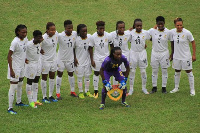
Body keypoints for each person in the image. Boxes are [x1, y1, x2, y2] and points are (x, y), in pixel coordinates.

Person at [169, 18, 196, 96]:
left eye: (181, 25)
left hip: (186, 57)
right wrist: (172, 53)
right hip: (176, 56)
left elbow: (193, 42)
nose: (179, 26)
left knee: (189, 72)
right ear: (175, 25)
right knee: (177, 71)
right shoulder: (172, 32)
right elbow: (164, 30)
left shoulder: (187, 33)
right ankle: (176, 87)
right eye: (177, 25)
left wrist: (193, 54)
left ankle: (192, 90)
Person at [7, 24, 29, 114]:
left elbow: (24, 50)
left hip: (22, 65)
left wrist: (25, 58)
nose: (24, 34)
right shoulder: (15, 42)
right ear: (17, 32)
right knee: (13, 86)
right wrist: (11, 70)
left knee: (20, 83)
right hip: (15, 67)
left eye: (26, 32)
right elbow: (9, 56)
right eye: (23, 32)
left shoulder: (25, 39)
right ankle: (10, 108)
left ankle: (18, 102)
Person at [88, 21, 113, 98]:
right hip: (97, 58)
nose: (102, 30)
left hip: (106, 58)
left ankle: (108, 89)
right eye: (100, 29)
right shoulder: (93, 37)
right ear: (97, 29)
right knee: (96, 73)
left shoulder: (108, 35)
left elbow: (112, 45)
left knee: (108, 73)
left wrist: (111, 57)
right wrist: (92, 60)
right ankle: (96, 91)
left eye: (103, 28)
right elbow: (90, 48)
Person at [148, 16, 171, 93]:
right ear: (156, 24)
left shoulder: (168, 32)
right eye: (159, 24)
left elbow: (172, 42)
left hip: (164, 53)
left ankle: (164, 88)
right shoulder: (152, 30)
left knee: (164, 70)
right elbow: (144, 35)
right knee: (154, 70)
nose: (160, 25)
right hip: (154, 53)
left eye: (161, 24)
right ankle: (154, 87)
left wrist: (172, 53)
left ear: (164, 23)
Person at [128, 19, 151, 95]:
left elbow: (152, 37)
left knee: (143, 71)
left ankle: (144, 88)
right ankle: (131, 89)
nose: (139, 27)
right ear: (134, 26)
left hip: (142, 54)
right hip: (133, 53)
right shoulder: (131, 33)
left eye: (140, 25)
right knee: (132, 71)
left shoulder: (145, 33)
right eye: (137, 25)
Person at [56, 20, 77, 100]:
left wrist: (75, 58)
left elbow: (75, 47)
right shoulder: (60, 36)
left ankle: (72, 91)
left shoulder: (74, 34)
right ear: (65, 28)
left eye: (71, 28)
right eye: (68, 28)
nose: (70, 30)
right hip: (61, 59)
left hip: (70, 59)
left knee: (71, 74)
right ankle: (58, 93)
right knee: (59, 74)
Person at [25, 30, 44, 108]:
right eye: (39, 37)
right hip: (31, 64)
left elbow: (38, 50)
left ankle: (35, 100)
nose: (41, 39)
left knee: (36, 80)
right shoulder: (28, 44)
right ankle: (30, 101)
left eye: (41, 37)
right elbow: (21, 52)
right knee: (29, 81)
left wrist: (41, 51)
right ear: (34, 37)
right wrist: (24, 59)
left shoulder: (39, 43)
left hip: (38, 63)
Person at [40, 22, 58, 103]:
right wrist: (40, 50)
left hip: (53, 60)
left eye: (54, 30)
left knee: (52, 77)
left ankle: (50, 95)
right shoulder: (43, 38)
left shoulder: (56, 34)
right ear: (47, 30)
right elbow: (35, 44)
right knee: (44, 78)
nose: (53, 31)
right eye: (51, 30)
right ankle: (44, 96)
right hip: (45, 61)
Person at [74, 24, 93, 98]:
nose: (85, 33)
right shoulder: (76, 40)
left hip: (87, 61)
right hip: (79, 62)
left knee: (87, 76)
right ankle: (81, 92)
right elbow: (73, 49)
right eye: (83, 31)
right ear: (79, 32)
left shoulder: (90, 37)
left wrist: (91, 59)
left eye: (86, 31)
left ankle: (87, 91)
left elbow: (90, 49)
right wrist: (74, 59)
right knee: (79, 77)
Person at [110, 21, 131, 86]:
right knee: (115, 71)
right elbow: (110, 44)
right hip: (116, 56)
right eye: (120, 28)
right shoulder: (112, 34)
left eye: (123, 27)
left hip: (125, 55)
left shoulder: (128, 34)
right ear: (117, 28)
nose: (122, 29)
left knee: (124, 72)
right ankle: (114, 87)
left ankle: (122, 86)